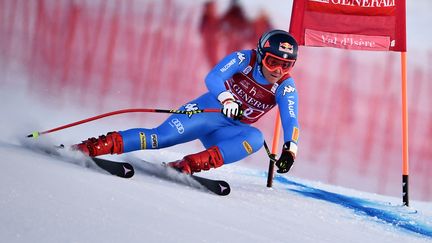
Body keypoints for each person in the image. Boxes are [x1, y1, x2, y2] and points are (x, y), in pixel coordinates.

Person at [73, 29, 300, 175]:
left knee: (255, 138)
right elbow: (213, 77)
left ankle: (188, 166)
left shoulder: (285, 86)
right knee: (160, 138)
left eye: (286, 66)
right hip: (206, 112)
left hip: (231, 130)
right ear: (261, 55)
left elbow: (291, 118)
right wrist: (227, 98)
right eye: (272, 62)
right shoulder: (244, 58)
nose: (278, 71)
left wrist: (290, 150)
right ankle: (90, 147)